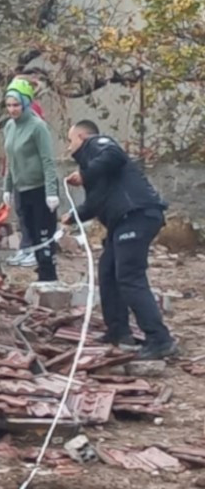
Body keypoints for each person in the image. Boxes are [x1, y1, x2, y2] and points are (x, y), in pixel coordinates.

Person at [64, 120, 177, 360]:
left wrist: (84, 174)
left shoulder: (97, 145)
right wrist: (73, 217)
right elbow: (96, 202)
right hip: (122, 221)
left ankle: (159, 339)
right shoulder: (93, 167)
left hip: (136, 215)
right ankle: (118, 331)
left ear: (82, 137)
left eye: (69, 140)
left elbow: (114, 155)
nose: (67, 147)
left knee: (129, 275)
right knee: (107, 270)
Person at [1, 83, 60, 281]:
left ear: (26, 103)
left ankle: (49, 276)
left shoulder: (37, 127)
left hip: (39, 188)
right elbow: (10, 159)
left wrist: (51, 191)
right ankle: (39, 274)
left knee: (44, 235)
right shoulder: (9, 126)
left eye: (16, 105)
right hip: (21, 187)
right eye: (8, 105)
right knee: (29, 231)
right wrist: (7, 187)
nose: (12, 109)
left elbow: (47, 160)